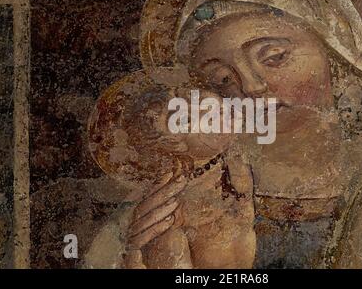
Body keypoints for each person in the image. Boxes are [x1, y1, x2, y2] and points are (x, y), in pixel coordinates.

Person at [87, 0, 362, 268]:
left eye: (274, 56)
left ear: (339, 60)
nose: (251, 87)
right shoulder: (150, 220)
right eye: (221, 79)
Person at [86, 71, 255, 268]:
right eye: (183, 120)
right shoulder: (167, 209)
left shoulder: (236, 161)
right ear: (175, 148)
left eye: (188, 96)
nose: (206, 108)